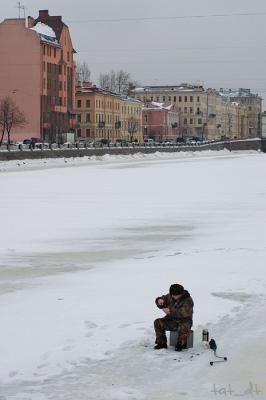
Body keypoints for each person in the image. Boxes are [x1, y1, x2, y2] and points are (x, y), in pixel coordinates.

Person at [154, 283, 194, 351]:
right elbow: (162, 299)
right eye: (172, 295)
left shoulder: (188, 300)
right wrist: (159, 301)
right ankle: (162, 343)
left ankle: (181, 344)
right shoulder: (170, 296)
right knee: (158, 322)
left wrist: (169, 311)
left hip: (184, 321)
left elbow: (183, 313)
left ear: (181, 293)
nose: (173, 296)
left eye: (176, 295)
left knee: (184, 327)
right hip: (171, 320)